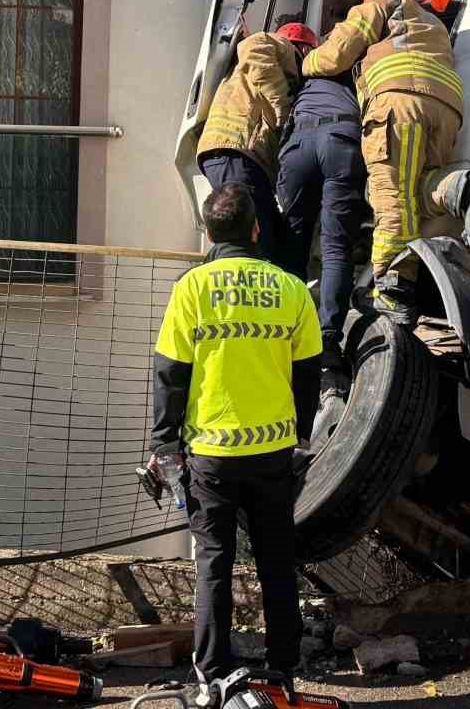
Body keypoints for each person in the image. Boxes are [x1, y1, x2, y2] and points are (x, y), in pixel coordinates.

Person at [148, 184, 323, 686]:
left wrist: (165, 444)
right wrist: (302, 438)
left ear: (207, 231)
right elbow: (309, 372)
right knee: (276, 561)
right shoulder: (290, 289)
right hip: (273, 451)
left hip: (211, 454)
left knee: (214, 563)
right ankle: (283, 667)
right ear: (255, 229)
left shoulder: (192, 288)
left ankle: (213, 674)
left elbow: (170, 372)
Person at [301, 0, 470, 324]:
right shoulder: (433, 22)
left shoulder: (377, 5)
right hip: (447, 109)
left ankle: (393, 288)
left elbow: (334, 57)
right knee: (417, 190)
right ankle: (456, 186)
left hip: (397, 104)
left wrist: (305, 63)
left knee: (390, 195)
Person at [275, 64, 367, 437]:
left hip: (298, 145)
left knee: (292, 246)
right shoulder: (355, 73)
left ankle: (284, 330)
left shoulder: (303, 81)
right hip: (342, 139)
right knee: (335, 249)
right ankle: (328, 337)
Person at [196, 22, 319, 263]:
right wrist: (283, 105)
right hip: (238, 151)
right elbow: (254, 45)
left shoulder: (246, 75)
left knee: (267, 232)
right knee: (254, 242)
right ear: (304, 49)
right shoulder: (283, 47)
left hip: (232, 154)